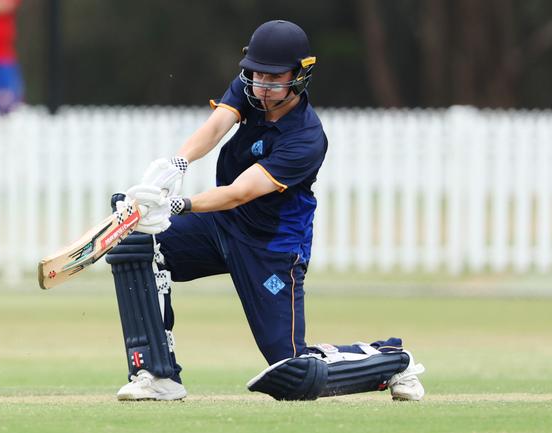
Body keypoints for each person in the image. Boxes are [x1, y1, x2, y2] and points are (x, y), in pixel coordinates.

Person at [107, 19, 425, 401]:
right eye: (256, 74)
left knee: (293, 370)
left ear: (300, 74)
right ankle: (157, 376)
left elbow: (241, 192)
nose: (262, 84)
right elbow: (215, 127)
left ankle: (392, 360)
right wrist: (176, 165)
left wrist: (179, 204)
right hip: (221, 225)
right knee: (138, 247)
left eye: (274, 78)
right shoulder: (251, 89)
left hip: (270, 247)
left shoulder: (306, 138)